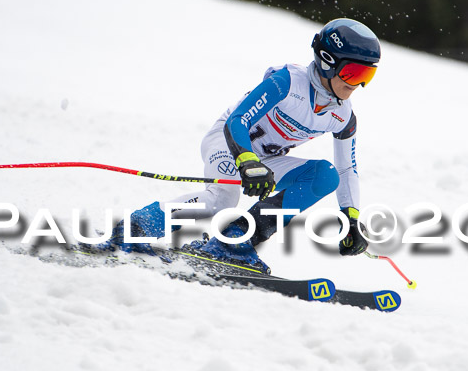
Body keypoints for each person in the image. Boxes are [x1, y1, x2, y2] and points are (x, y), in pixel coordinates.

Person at [108, 18, 380, 272]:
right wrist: (246, 159)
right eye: (353, 73)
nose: (358, 85)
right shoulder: (287, 83)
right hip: (229, 141)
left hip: (262, 160)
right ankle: (139, 225)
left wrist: (351, 217)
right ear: (327, 61)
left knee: (324, 176)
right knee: (221, 202)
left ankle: (236, 238)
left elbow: (347, 169)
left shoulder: (342, 116)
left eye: (367, 76)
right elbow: (238, 120)